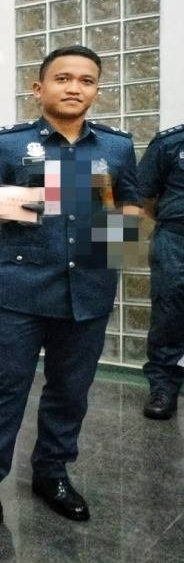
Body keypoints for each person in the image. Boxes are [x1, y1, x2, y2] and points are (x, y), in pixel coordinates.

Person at [0, 46, 141, 528]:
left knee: (71, 390)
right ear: (38, 88)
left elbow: (130, 204)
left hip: (88, 287)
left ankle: (52, 472)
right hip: (21, 287)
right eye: (62, 78)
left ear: (97, 91)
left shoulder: (117, 147)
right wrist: (30, 200)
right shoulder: (8, 144)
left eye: (86, 80)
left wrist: (111, 253)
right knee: (4, 388)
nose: (74, 87)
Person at [137, 123, 184, 420]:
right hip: (177, 238)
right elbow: (143, 195)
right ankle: (164, 387)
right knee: (169, 311)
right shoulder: (171, 142)